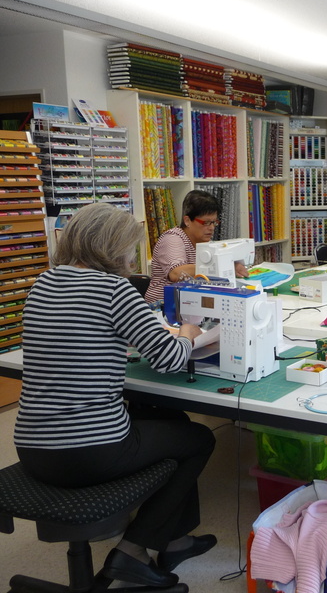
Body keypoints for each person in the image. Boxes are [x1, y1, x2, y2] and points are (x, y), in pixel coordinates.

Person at [14, 203, 217, 587]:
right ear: (112, 247)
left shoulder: (43, 283)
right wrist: (189, 332)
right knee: (199, 439)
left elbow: (80, 338)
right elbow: (170, 358)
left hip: (33, 448)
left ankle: (174, 540)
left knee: (170, 420)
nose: (131, 257)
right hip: (90, 451)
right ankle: (133, 550)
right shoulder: (113, 289)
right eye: (128, 247)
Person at [145, 190, 248, 303]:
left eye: (214, 222)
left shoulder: (206, 243)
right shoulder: (172, 238)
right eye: (206, 223)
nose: (212, 228)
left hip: (189, 303)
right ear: (187, 221)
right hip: (163, 306)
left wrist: (233, 266)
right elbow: (176, 273)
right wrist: (223, 266)